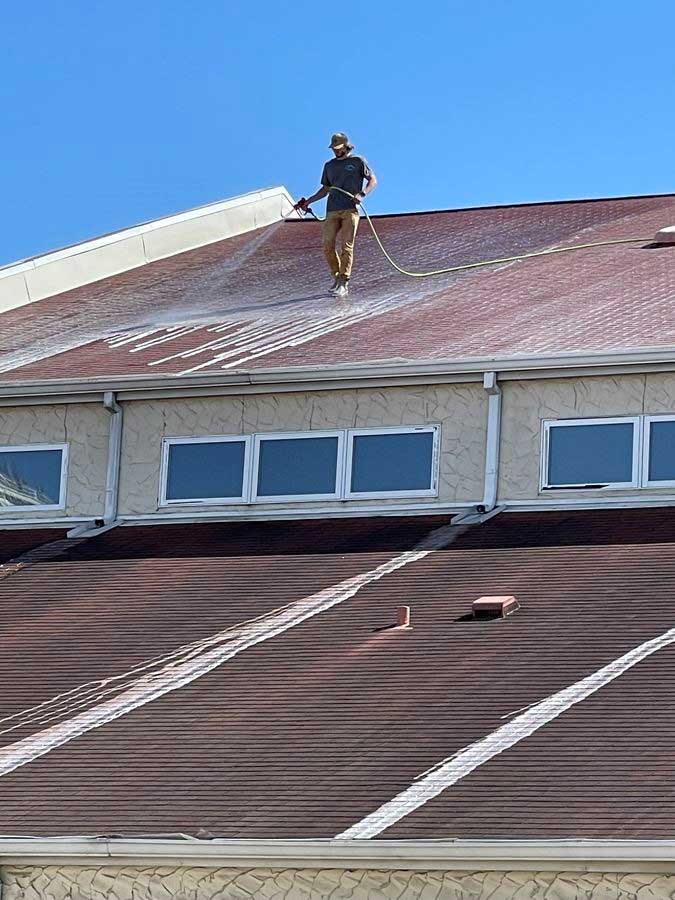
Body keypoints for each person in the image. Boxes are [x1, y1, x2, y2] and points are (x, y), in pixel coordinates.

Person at [295, 132, 377, 297]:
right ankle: (336, 277)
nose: (335, 151)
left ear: (346, 146)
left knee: (346, 247)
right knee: (327, 245)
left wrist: (362, 194)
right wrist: (309, 202)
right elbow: (325, 189)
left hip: (350, 210)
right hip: (332, 210)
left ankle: (344, 282)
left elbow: (373, 180)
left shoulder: (358, 161)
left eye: (338, 148)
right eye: (333, 148)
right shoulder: (329, 166)